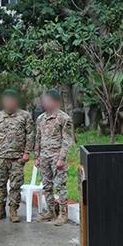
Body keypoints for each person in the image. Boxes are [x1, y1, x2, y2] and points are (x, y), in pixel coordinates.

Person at [0, 89, 34, 223]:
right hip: (2, 157)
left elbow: (30, 135)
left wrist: (27, 153)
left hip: (18, 158)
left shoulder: (24, 116)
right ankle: (0, 209)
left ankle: (13, 210)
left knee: (15, 185)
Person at [34, 89, 75, 225]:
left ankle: (63, 214)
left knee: (60, 186)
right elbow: (38, 138)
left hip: (57, 158)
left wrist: (61, 159)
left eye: (48, 100)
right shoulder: (40, 119)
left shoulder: (64, 118)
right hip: (44, 157)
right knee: (47, 185)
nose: (45, 103)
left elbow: (67, 140)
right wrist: (37, 156)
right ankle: (51, 211)